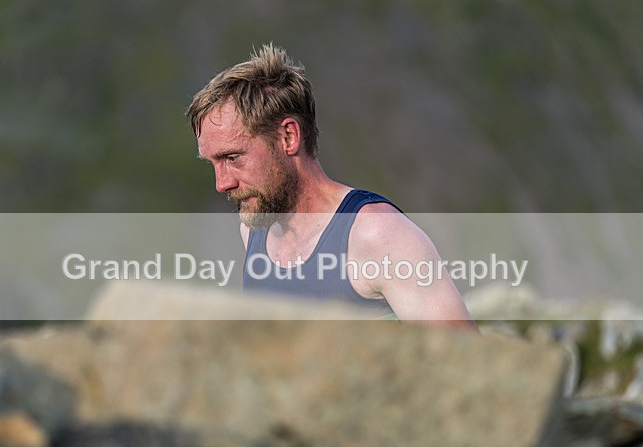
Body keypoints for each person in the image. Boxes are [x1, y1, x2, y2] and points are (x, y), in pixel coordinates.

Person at [187, 44, 476, 328]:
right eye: (212, 163)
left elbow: (466, 363)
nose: (221, 184)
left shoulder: (379, 234)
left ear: (289, 137)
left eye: (232, 157)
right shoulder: (253, 231)